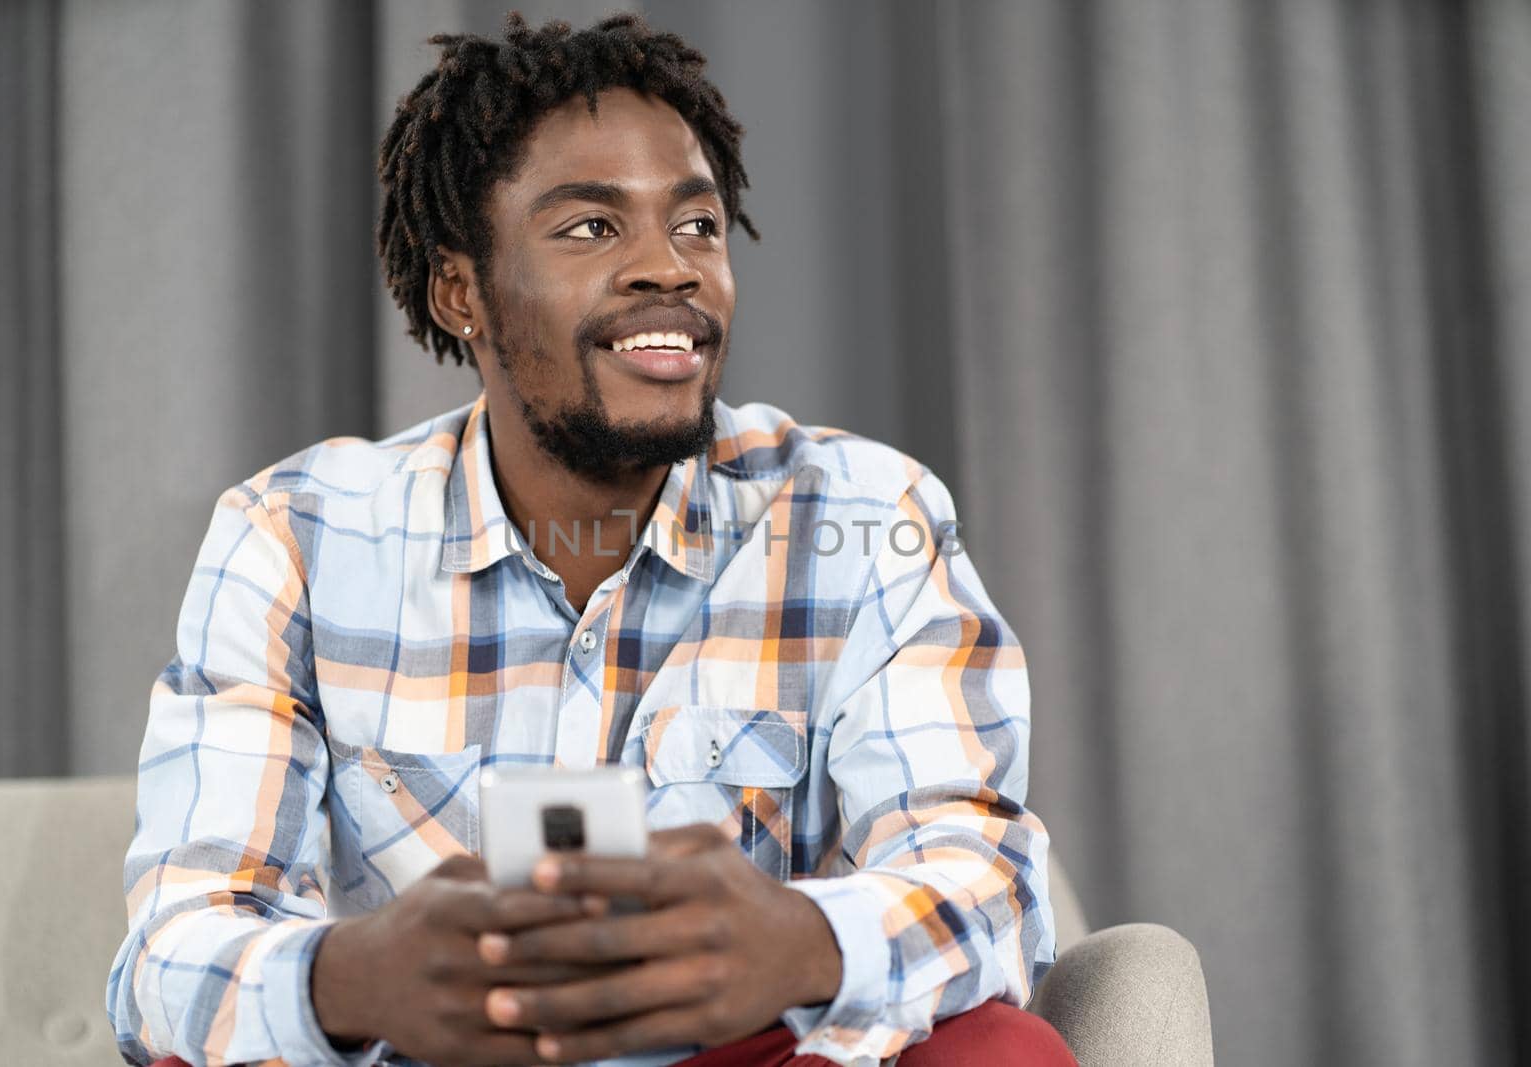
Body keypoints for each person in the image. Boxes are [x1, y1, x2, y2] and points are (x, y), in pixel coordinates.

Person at [106, 11, 1071, 1067]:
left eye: (697, 226)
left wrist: (797, 941)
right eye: (589, 228)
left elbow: (988, 877)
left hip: (739, 1051)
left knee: (999, 1048)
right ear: (460, 289)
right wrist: (364, 973)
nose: (670, 268)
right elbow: (172, 951)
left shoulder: (867, 515)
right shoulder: (294, 534)